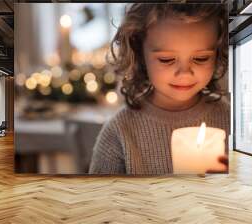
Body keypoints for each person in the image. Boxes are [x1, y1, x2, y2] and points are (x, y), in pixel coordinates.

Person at [89, 3, 229, 175]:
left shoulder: (233, 121)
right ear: (140, 53)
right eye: (166, 59)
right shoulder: (120, 132)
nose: (184, 73)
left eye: (201, 58)